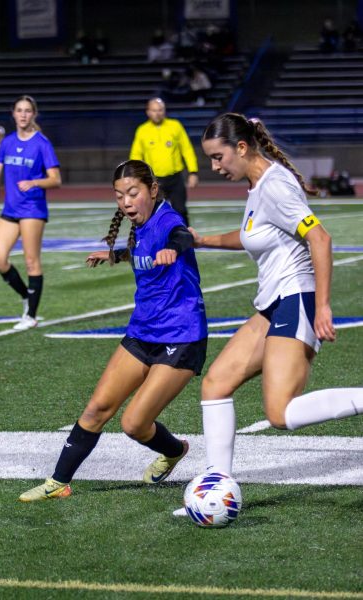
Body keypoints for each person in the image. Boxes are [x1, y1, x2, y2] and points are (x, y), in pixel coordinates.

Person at [187, 112, 363, 481]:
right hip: (273, 304)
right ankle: (216, 486)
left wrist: (323, 306)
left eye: (218, 157)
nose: (214, 167)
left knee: (279, 413)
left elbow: (321, 238)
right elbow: (251, 234)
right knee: (216, 383)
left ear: (241, 147)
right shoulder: (258, 185)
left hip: (296, 298)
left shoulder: (275, 186)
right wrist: (205, 241)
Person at [19, 159, 207, 502]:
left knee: (134, 424)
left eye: (132, 193)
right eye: (119, 196)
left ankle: (175, 450)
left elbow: (180, 236)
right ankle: (58, 482)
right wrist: (115, 255)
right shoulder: (139, 225)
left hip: (181, 335)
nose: (126, 202)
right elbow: (142, 250)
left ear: (152, 190)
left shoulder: (167, 218)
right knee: (97, 409)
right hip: (142, 330)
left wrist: (174, 248)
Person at [0, 95, 61, 331]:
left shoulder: (42, 143)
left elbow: (56, 179)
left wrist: (35, 183)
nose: (24, 114)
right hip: (11, 209)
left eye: (28, 111)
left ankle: (31, 316)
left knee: (31, 261)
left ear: (33, 114)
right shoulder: (6, 143)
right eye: (19, 110)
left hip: (33, 209)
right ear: (13, 114)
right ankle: (26, 296)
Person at [129, 97, 199, 226]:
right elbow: (136, 155)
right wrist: (135, 176)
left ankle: (186, 239)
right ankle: (152, 242)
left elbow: (187, 149)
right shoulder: (142, 130)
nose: (157, 113)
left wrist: (193, 172)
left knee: (181, 210)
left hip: (175, 179)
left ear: (164, 111)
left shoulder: (175, 126)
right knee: (152, 213)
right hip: (154, 181)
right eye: (154, 110)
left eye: (160, 110)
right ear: (148, 112)